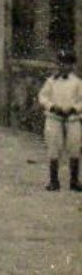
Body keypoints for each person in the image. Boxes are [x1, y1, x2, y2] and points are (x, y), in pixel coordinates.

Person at [37, 49, 82, 192]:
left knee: (74, 147)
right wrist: (52, 106)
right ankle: (53, 181)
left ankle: (74, 181)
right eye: (61, 64)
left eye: (67, 64)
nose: (64, 67)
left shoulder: (77, 82)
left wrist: (75, 108)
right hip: (54, 118)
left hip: (72, 119)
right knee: (53, 147)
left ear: (72, 66)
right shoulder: (51, 82)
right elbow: (42, 97)